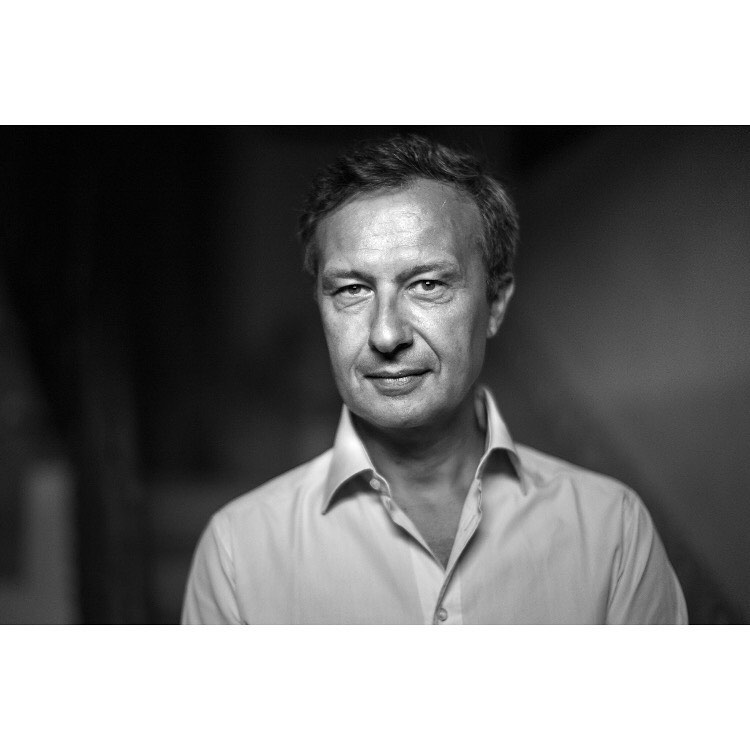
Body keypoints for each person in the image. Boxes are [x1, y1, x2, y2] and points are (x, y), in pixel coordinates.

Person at [181, 133, 688, 624]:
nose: (386, 335)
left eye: (426, 284)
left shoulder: (611, 531)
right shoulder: (238, 554)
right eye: (352, 290)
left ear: (495, 304)